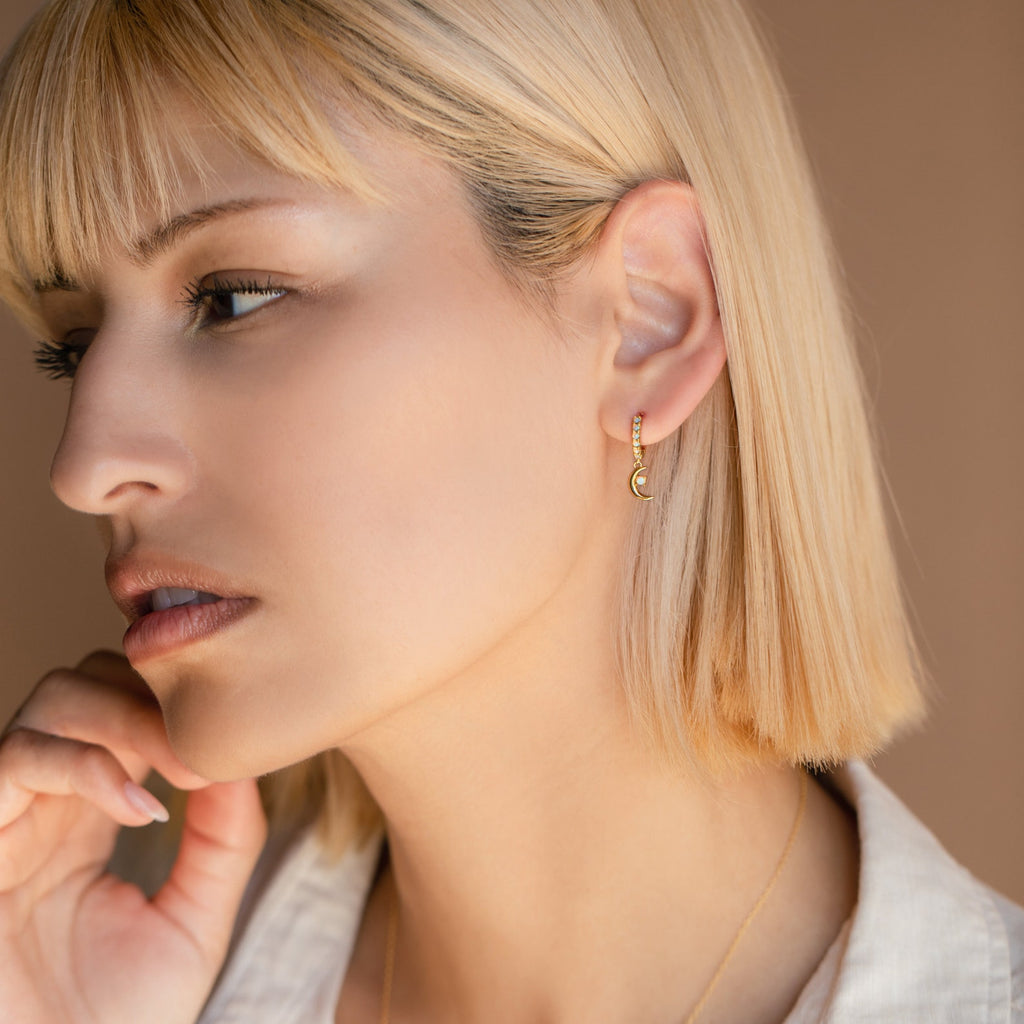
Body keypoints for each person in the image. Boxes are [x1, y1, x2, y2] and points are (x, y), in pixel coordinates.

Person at [0, 0, 1020, 1021]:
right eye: (75, 345)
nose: (85, 464)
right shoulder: (107, 976)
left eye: (234, 295)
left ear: (646, 319)